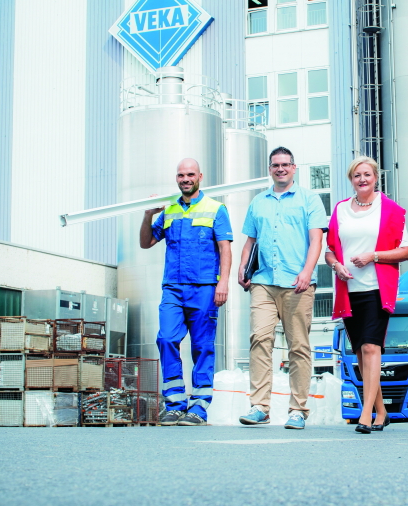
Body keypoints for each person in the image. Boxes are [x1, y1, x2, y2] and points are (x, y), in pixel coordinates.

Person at [237, 146, 328, 429]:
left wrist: (307, 272)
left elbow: (316, 240)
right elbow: (250, 241)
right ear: (270, 169)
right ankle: (259, 407)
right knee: (259, 339)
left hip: (297, 283)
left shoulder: (309, 199)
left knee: (298, 346)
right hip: (263, 281)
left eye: (285, 164)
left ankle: (298, 409)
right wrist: (242, 267)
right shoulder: (258, 202)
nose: (280, 169)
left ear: (294, 167)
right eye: (275, 165)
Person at [140, 158, 233, 426]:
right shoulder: (168, 209)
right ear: (176, 178)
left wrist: (223, 283)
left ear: (200, 176)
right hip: (173, 287)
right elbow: (146, 242)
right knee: (166, 338)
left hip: (204, 287)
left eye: (190, 174)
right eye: (181, 175)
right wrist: (148, 215)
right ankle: (174, 403)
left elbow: (225, 248)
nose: (185, 179)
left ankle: (199, 408)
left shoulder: (216, 209)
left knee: (202, 347)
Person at [324, 157, 408, 434]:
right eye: (356, 175)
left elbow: (406, 251)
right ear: (351, 180)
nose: (362, 179)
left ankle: (366, 414)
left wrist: (373, 256)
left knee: (372, 348)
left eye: (367, 174)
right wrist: (336, 266)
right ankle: (382, 412)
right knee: (361, 353)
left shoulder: (391, 210)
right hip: (349, 290)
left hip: (377, 288)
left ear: (375, 178)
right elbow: (329, 251)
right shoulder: (340, 209)